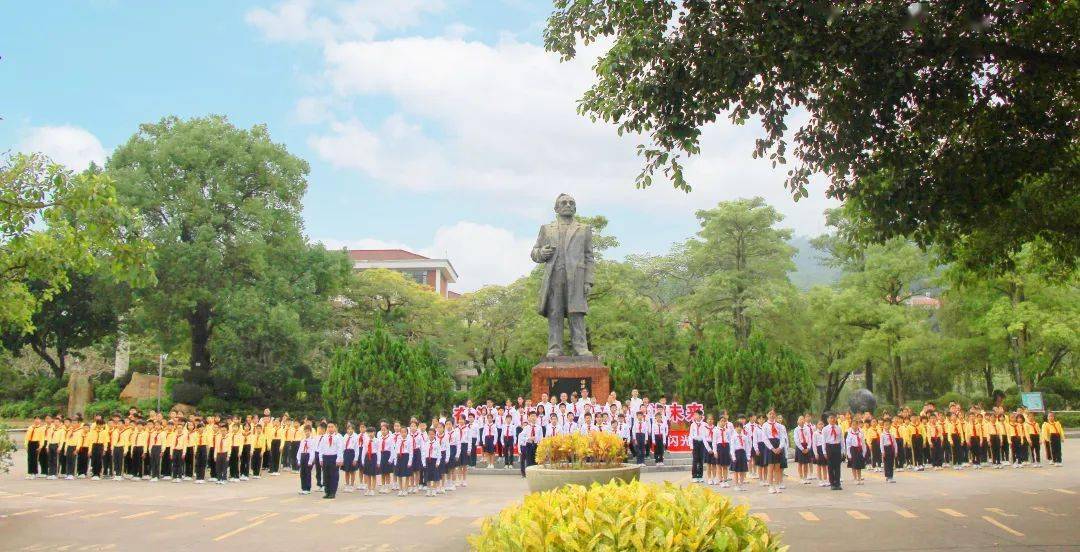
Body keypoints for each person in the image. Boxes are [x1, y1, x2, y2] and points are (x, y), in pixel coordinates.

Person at [316, 422, 343, 499]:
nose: (330, 428)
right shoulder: (324, 437)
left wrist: (339, 459)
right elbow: (321, 449)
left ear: (335, 428)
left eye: (332, 427)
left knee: (333, 476)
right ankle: (327, 492)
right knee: (326, 475)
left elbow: (340, 449)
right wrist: (321, 459)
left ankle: (332, 492)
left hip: (334, 458)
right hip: (325, 457)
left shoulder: (337, 437)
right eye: (328, 427)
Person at [824, 413, 844, 490]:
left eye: (834, 418)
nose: (832, 419)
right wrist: (824, 452)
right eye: (830, 418)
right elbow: (823, 441)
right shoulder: (825, 429)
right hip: (829, 446)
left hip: (837, 446)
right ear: (828, 420)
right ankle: (832, 483)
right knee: (830, 466)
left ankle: (838, 483)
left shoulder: (839, 428)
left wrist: (842, 450)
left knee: (837, 466)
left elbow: (842, 440)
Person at [730, 420, 749, 491]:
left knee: (742, 471)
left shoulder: (745, 437)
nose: (739, 428)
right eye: (737, 427)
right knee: (736, 471)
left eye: (740, 427)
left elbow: (747, 447)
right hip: (736, 453)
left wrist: (748, 456)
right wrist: (733, 457)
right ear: (735, 428)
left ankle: (741, 484)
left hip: (743, 453)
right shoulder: (733, 437)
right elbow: (732, 447)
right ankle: (736, 485)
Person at [296, 427, 314, 495]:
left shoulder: (312, 440)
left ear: (310, 432)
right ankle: (303, 488)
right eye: (305, 431)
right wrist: (298, 459)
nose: (307, 433)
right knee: (302, 473)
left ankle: (308, 488)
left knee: (307, 473)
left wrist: (310, 461)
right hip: (303, 456)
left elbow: (312, 451)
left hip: (308, 456)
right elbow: (300, 450)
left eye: (308, 431)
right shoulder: (303, 440)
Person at [688, 410, 706, 482]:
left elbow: (706, 435)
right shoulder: (693, 424)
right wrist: (691, 446)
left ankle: (700, 476)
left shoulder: (704, 424)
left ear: (701, 415)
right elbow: (690, 435)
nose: (694, 416)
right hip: (695, 442)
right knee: (695, 460)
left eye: (696, 415)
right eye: (694, 415)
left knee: (701, 460)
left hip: (702, 442)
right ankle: (694, 476)